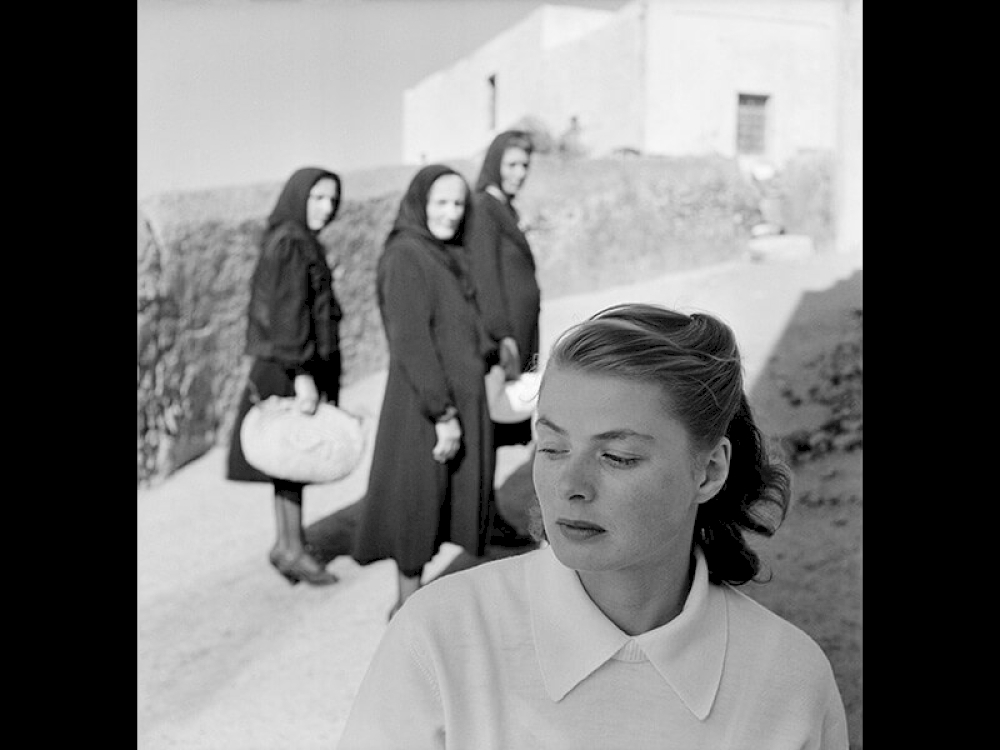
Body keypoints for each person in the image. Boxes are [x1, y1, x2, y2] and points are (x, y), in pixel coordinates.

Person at [337, 302, 850, 749]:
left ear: (709, 471)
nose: (570, 484)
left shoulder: (789, 680)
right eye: (553, 447)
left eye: (618, 456)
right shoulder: (441, 638)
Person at [351, 164, 497, 620]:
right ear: (420, 203)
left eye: (458, 204)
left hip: (455, 396)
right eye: (441, 203)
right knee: (417, 499)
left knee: (442, 499)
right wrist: (443, 413)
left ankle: (418, 603)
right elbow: (411, 340)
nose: (451, 213)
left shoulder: (445, 253)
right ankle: (407, 607)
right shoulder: (406, 256)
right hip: (425, 404)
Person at [226, 166, 343, 587]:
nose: (327, 208)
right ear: (298, 198)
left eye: (332, 200)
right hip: (291, 367)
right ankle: (292, 549)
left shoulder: (292, 239)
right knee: (293, 457)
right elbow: (287, 315)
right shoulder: (292, 244)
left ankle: (286, 544)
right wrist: (303, 376)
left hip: (291, 364)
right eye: (317, 198)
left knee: (289, 461)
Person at [464, 130, 541, 545]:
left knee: (496, 429)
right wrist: (503, 338)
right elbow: (486, 279)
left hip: (518, 336)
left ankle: (486, 515)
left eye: (525, 165)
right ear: (496, 162)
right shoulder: (483, 208)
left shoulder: (503, 208)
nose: (519, 173)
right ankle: (483, 519)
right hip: (504, 341)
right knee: (489, 428)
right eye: (511, 164)